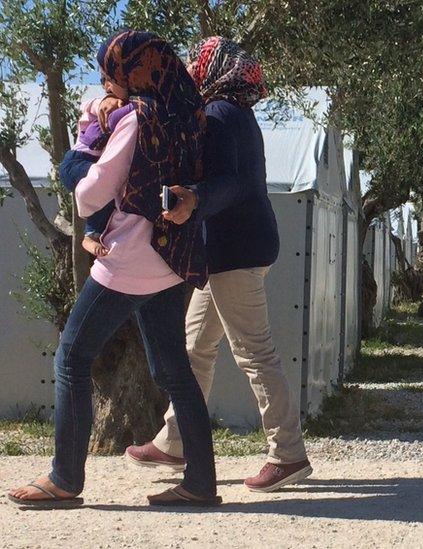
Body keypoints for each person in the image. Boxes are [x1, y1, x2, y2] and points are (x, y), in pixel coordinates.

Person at [6, 30, 219, 508]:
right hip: (170, 261)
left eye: (111, 73)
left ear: (131, 70)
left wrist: (87, 141)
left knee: (71, 358)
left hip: (127, 259)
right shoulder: (188, 110)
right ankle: (201, 484)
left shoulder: (136, 118)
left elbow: (89, 195)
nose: (108, 83)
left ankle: (65, 480)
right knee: (174, 371)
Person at [124, 36, 312, 493]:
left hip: (236, 253)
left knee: (254, 353)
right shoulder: (233, 114)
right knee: (195, 348)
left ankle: (287, 453)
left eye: (199, 60)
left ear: (217, 68)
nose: (192, 66)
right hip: (231, 251)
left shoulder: (223, 116)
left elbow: (237, 183)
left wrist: (197, 199)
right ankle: (175, 440)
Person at [58, 82, 135, 257]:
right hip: (76, 162)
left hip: (92, 163)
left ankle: (94, 234)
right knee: (106, 183)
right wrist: (103, 102)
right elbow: (86, 105)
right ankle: (90, 234)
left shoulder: (118, 104)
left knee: (109, 188)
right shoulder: (108, 107)